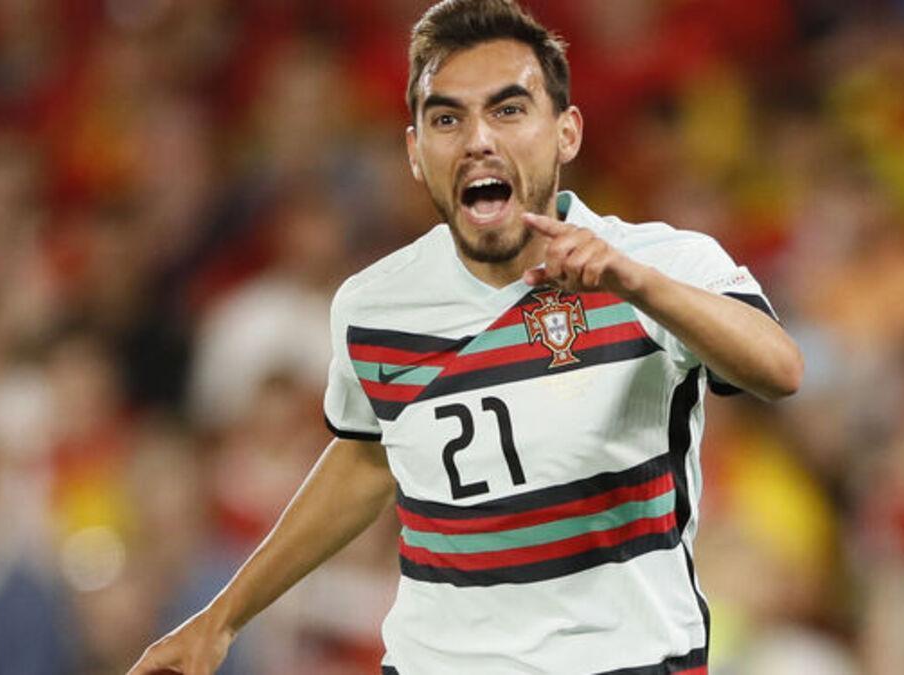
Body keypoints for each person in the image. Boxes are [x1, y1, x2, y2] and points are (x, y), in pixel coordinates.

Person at [128, 0, 803, 673]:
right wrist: (220, 621)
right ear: (416, 152)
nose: (478, 138)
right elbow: (370, 456)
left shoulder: (658, 263)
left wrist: (637, 286)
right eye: (447, 118)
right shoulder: (375, 306)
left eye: (508, 110)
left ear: (566, 133)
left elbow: (778, 367)